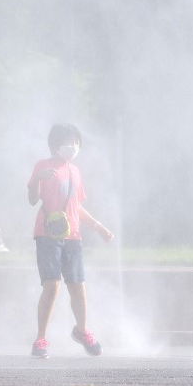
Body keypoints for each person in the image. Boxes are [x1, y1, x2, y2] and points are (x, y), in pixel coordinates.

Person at [27, 123, 114, 358]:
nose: (72, 147)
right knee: (52, 285)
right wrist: (37, 179)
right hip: (47, 233)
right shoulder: (42, 166)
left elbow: (77, 206)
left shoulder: (75, 171)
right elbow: (32, 199)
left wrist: (98, 226)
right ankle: (41, 339)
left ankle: (82, 330)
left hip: (72, 234)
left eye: (76, 143)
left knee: (77, 284)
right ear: (55, 144)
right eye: (68, 142)